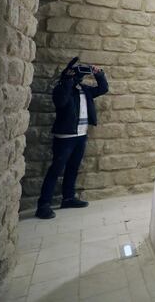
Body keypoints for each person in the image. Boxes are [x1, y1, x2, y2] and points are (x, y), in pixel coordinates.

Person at [36, 57, 109, 220]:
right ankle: (43, 205)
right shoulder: (62, 88)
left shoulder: (84, 89)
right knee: (56, 169)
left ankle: (68, 198)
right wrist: (68, 79)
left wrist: (99, 74)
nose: (80, 75)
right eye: (77, 72)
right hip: (65, 137)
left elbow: (103, 88)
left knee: (73, 168)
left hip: (81, 135)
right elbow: (61, 102)